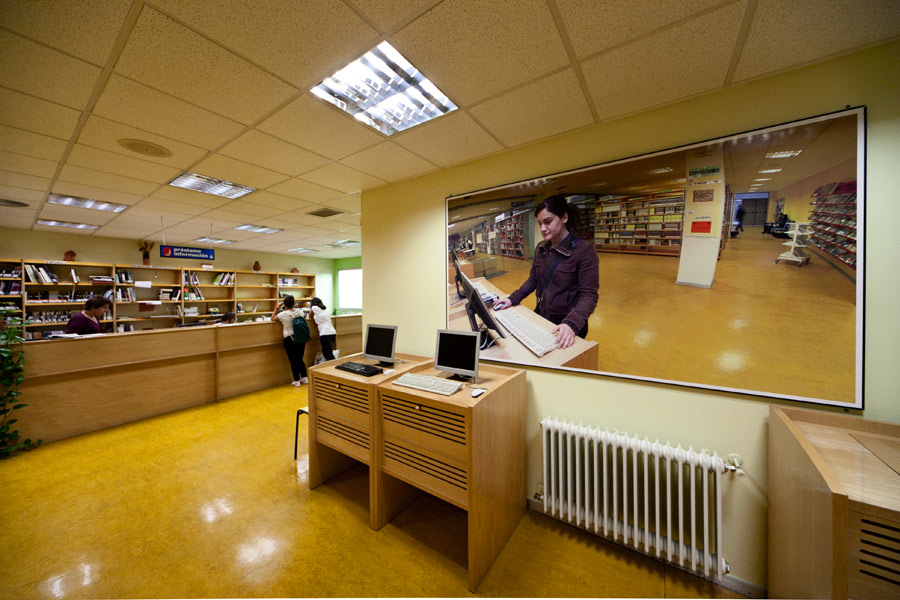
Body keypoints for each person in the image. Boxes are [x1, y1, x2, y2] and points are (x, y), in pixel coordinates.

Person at [493, 195, 599, 349]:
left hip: (567, 324)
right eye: (540, 223)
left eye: (548, 222)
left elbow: (589, 295)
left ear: (564, 217)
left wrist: (571, 323)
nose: (542, 228)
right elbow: (533, 280)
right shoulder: (541, 248)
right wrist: (513, 299)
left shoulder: (584, 250)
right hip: (542, 315)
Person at [271, 295, 308, 386]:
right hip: (301, 337)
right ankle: (304, 377)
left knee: (293, 360)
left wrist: (277, 308)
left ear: (284, 305)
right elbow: (305, 318)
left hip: (289, 338)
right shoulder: (300, 312)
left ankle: (296, 380)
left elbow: (272, 318)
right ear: (294, 303)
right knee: (299, 358)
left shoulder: (283, 314)